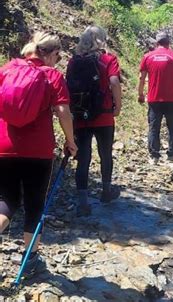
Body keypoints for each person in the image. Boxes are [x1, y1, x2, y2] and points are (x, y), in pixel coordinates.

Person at [0, 31, 77, 276]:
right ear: (50, 53)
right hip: (38, 150)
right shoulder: (52, 75)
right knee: (34, 204)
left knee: (7, 200)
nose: (58, 60)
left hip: (4, 146)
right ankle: (31, 259)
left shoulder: (8, 69)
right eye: (58, 55)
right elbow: (63, 111)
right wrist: (71, 140)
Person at [67, 26, 122, 217]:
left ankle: (83, 203)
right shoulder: (108, 59)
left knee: (83, 159)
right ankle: (106, 192)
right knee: (105, 153)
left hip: (81, 116)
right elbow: (114, 82)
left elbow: (68, 88)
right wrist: (118, 105)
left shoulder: (73, 61)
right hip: (104, 114)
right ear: (102, 40)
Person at [138, 32, 173, 163]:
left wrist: (140, 94)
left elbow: (142, 78)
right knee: (172, 126)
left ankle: (154, 155)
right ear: (168, 42)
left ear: (156, 43)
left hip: (154, 98)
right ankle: (172, 154)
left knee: (154, 126)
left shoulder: (148, 56)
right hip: (171, 98)